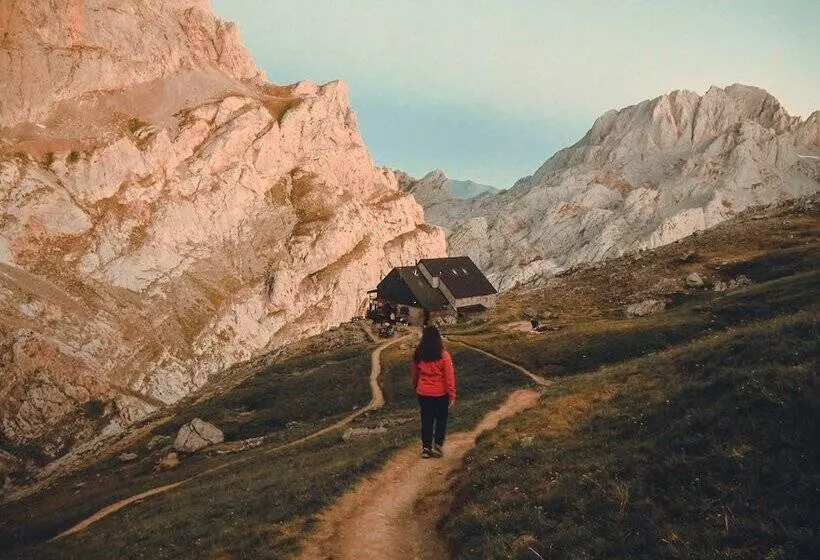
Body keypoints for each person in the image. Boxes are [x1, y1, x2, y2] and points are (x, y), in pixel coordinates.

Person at [411, 326, 456, 458]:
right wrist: (452, 394)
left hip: (423, 392)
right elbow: (449, 376)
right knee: (441, 419)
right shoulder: (443, 355)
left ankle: (426, 448)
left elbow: (414, 374)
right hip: (441, 393)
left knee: (426, 419)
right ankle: (438, 445)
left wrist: (416, 386)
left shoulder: (418, 354)